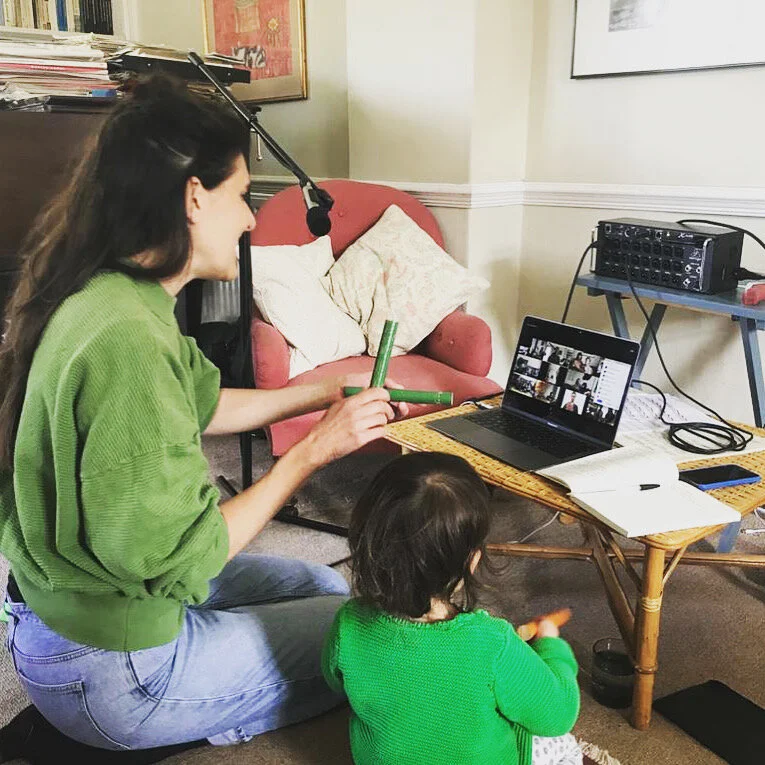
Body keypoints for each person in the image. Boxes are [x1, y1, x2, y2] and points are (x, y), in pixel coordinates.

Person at [0, 77, 407, 764]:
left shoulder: (116, 293)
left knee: (325, 585)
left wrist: (321, 393)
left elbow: (204, 403)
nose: (250, 220)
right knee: (360, 642)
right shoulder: (128, 342)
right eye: (242, 195)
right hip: (111, 667)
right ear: (194, 197)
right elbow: (194, 553)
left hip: (69, 611)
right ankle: (126, 733)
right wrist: (311, 452)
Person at [322, 452, 582, 765]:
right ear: (472, 560)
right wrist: (552, 648)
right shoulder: (492, 642)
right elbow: (558, 715)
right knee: (564, 746)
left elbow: (334, 681)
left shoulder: (348, 623)